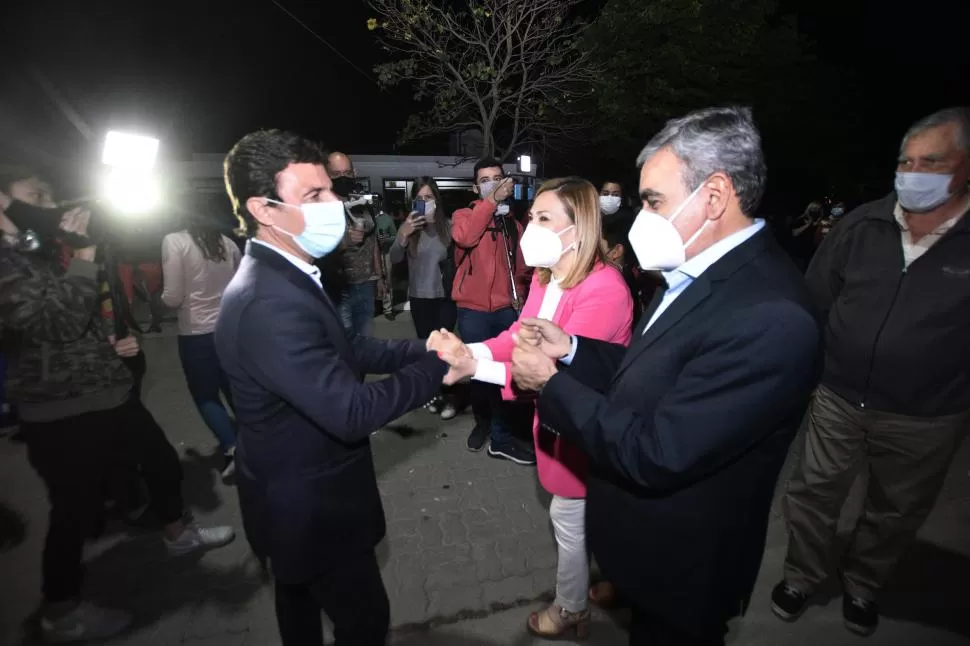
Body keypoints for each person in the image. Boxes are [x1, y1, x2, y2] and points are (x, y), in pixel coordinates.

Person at [507, 106, 822, 646]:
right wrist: (575, 348)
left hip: (684, 570)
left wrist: (551, 384)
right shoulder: (700, 272)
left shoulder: (771, 314)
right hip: (646, 550)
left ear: (715, 196)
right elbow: (651, 369)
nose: (640, 216)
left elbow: (659, 451)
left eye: (654, 201)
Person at [216, 129, 461, 646]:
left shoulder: (288, 272)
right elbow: (350, 410)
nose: (335, 205)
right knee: (363, 621)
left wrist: (420, 349)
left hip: (293, 495)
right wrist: (438, 367)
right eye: (314, 196)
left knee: (299, 606)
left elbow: (349, 349)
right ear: (264, 208)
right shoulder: (269, 301)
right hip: (310, 508)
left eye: (330, 190)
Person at [0, 189, 234, 643]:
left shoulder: (37, 245)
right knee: (75, 510)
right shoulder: (10, 261)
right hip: (58, 405)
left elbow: (71, 320)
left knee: (162, 462)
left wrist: (111, 342)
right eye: (36, 190)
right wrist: (86, 253)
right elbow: (58, 324)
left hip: (106, 387)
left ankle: (177, 532)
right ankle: (61, 611)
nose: (49, 198)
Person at [773, 107, 970, 637]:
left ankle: (862, 583)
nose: (913, 172)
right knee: (813, 493)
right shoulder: (862, 226)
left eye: (931, 161)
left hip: (926, 415)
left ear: (964, 166)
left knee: (895, 509)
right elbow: (815, 300)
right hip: (838, 396)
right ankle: (801, 575)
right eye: (906, 160)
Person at [433, 177, 633, 638]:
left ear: (578, 229)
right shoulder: (549, 279)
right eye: (533, 216)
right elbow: (516, 341)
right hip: (561, 426)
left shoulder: (604, 289)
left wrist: (469, 368)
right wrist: (470, 352)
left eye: (544, 219)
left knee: (571, 519)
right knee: (595, 515)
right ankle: (619, 582)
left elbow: (543, 374)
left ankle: (571, 607)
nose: (530, 229)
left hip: (585, 432)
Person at [451, 157, 533, 463]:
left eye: (497, 178)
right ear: (475, 186)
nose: (493, 184)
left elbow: (523, 268)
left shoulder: (514, 223)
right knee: (478, 375)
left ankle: (500, 436)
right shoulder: (464, 214)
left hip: (505, 310)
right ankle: (483, 422)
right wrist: (488, 203)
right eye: (485, 179)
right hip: (472, 311)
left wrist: (521, 297)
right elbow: (465, 237)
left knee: (501, 374)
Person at [161, 210, 241, 478]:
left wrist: (158, 302)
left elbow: (173, 297)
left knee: (206, 394)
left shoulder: (175, 241)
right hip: (229, 329)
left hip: (196, 332)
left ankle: (233, 448)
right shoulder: (226, 243)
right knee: (234, 389)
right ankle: (254, 441)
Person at [390, 177, 458, 420]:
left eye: (429, 197)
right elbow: (395, 258)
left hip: (445, 298)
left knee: (445, 350)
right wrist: (404, 234)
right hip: (420, 297)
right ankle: (433, 393)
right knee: (427, 350)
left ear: (437, 200)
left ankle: (449, 395)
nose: (424, 202)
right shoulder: (409, 227)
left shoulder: (449, 227)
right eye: (419, 199)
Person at [328, 152, 380, 337]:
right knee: (345, 344)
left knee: (365, 342)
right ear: (327, 174)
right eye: (336, 174)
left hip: (365, 283)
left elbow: (373, 240)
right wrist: (346, 241)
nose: (343, 178)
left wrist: (379, 276)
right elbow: (313, 251)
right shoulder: (319, 205)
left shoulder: (361, 201)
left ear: (354, 172)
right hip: (339, 287)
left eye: (347, 172)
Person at [373, 195, 398, 320]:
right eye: (372, 201)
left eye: (377, 201)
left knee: (387, 279)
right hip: (369, 254)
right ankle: (375, 306)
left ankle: (387, 309)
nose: (374, 203)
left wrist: (386, 239)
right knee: (373, 280)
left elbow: (395, 236)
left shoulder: (387, 219)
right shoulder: (365, 216)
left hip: (385, 252)